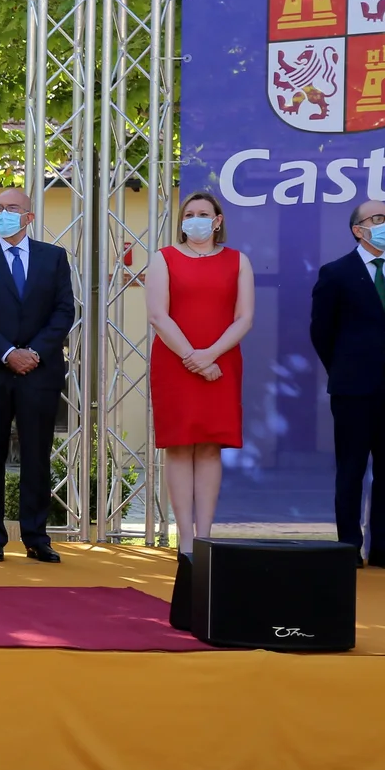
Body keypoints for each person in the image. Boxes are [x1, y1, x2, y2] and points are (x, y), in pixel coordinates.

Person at [0, 187, 76, 563]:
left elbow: (63, 312)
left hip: (39, 373)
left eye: (12, 208)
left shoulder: (54, 258)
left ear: (29, 216)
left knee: (36, 457)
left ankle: (36, 537)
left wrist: (34, 353)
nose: (3, 213)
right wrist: (9, 354)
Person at [311, 199, 385, 569]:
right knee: (351, 468)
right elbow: (321, 332)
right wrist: (344, 367)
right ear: (358, 229)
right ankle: (348, 546)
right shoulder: (336, 273)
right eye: (378, 218)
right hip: (353, 387)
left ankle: (383, 548)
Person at [146, 192, 252, 555]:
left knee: (209, 447)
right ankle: (185, 541)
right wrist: (193, 357)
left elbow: (244, 318)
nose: (195, 219)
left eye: (203, 213)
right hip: (175, 363)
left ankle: (205, 537)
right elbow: (159, 316)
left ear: (217, 220)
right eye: (189, 214)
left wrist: (210, 356)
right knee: (179, 447)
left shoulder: (239, 262)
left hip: (221, 364)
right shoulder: (164, 259)